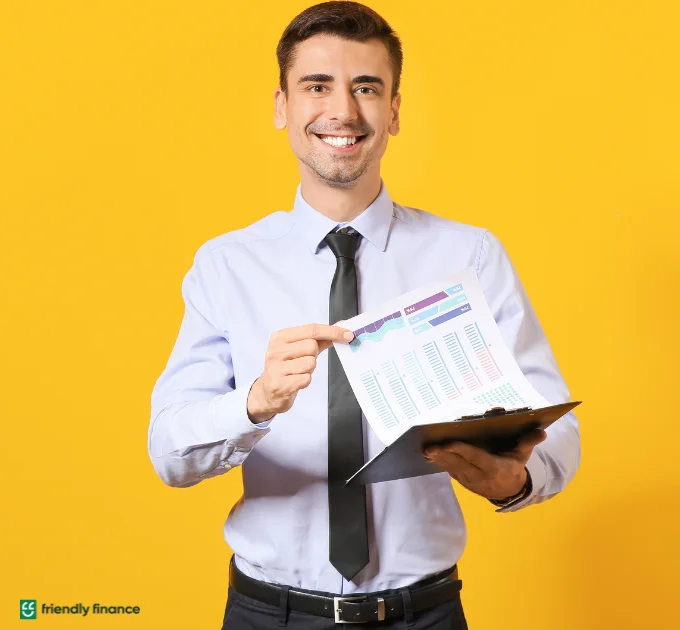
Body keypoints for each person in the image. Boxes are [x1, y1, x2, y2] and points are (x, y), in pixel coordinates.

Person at [146, 2, 581, 628]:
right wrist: (255, 402)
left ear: (394, 112)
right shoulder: (227, 265)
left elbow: (557, 432)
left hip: (424, 614)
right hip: (269, 614)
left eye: (367, 88)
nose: (343, 111)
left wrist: (512, 481)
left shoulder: (469, 256)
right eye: (317, 86)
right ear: (282, 107)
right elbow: (169, 453)